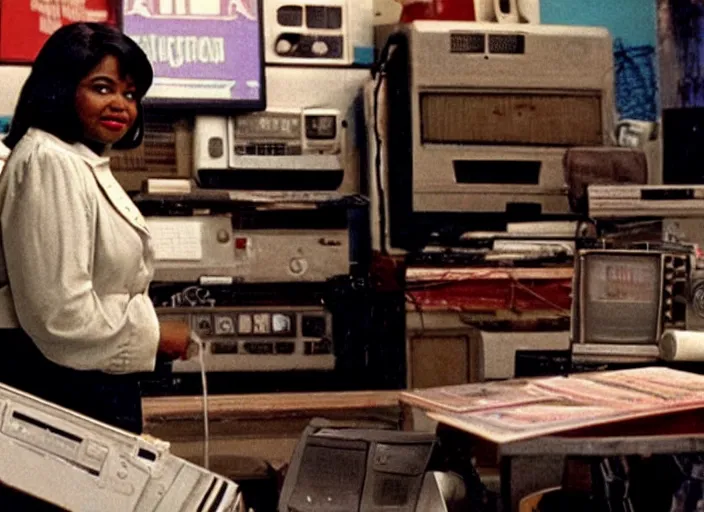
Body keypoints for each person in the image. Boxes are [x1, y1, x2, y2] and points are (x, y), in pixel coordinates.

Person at [0, 22, 192, 436]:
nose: (121, 104)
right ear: (60, 87)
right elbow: (60, 315)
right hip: (61, 389)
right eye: (102, 88)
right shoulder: (49, 161)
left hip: (87, 382)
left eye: (130, 93)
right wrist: (155, 337)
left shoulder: (74, 160)